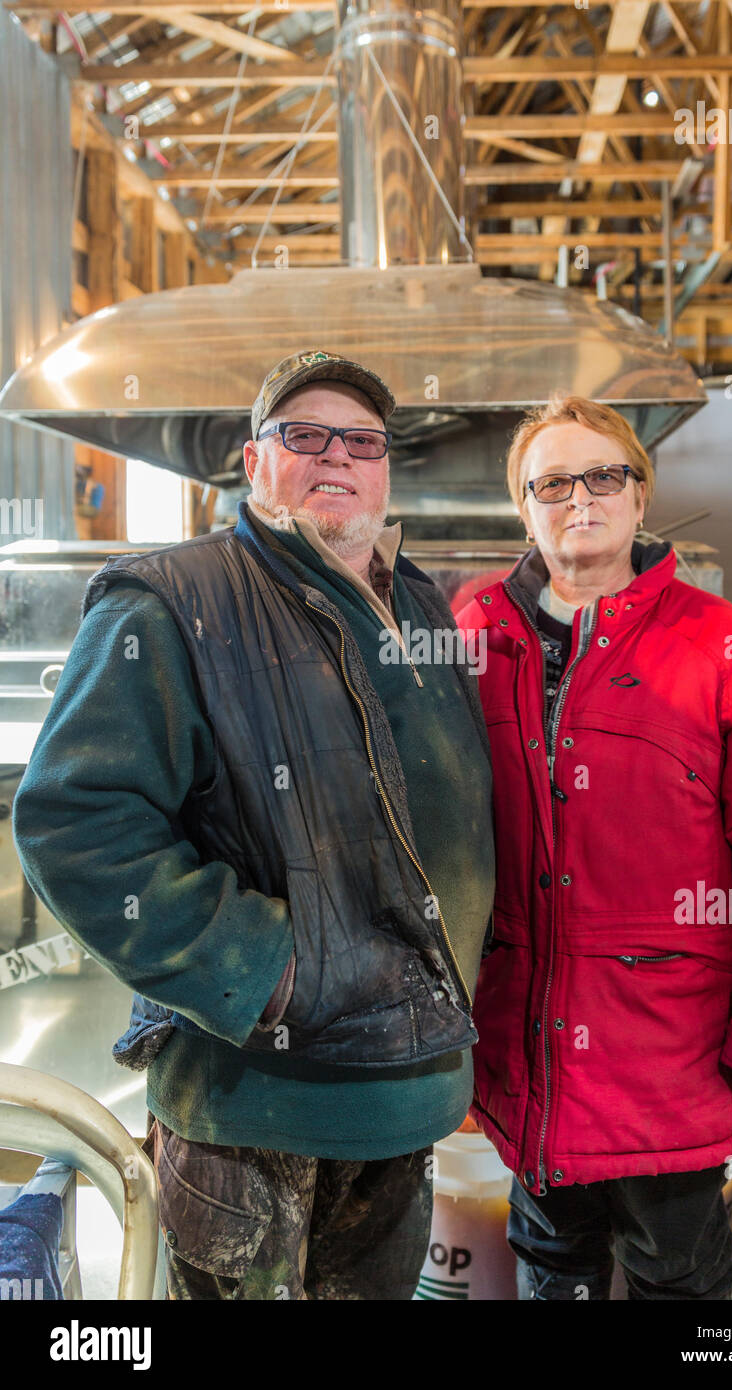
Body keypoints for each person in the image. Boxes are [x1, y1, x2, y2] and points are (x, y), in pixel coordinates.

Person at [13, 348, 495, 1301]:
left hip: (406, 1098)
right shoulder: (174, 599)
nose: (336, 458)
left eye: (361, 440)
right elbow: (75, 823)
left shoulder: (421, 605)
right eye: (303, 434)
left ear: (386, 467)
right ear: (252, 458)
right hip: (253, 1103)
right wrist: (266, 969)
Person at [456, 393, 732, 1301]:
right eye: (552, 482)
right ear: (525, 507)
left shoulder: (719, 648)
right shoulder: (475, 639)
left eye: (603, 475)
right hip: (531, 1065)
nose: (579, 498)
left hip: (670, 1068)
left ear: (640, 497)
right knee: (554, 1272)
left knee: (682, 1281)